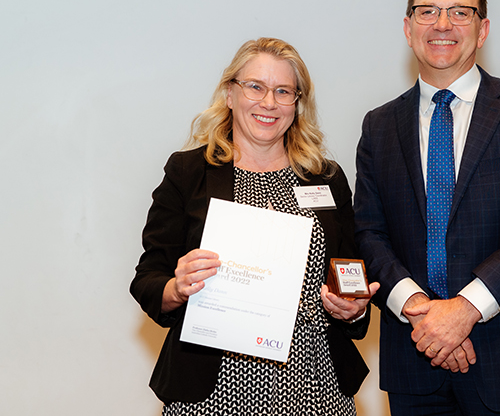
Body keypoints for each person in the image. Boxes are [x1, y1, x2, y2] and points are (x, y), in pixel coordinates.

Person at [354, 0, 500, 415]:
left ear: (482, 28)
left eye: (459, 11)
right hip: (413, 361)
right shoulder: (378, 126)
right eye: (427, 11)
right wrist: (420, 309)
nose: (441, 24)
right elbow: (368, 233)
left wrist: (464, 310)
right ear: (408, 27)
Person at [130, 37, 379, 415]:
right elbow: (148, 278)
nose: (269, 102)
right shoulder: (188, 172)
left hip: (315, 385)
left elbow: (348, 273)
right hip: (212, 390)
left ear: (297, 104)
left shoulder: (325, 179)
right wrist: (176, 288)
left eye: (283, 91)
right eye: (255, 87)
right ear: (230, 94)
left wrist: (354, 309)